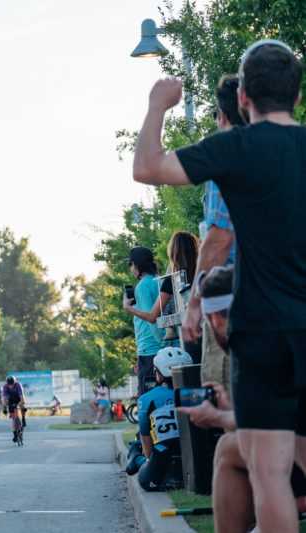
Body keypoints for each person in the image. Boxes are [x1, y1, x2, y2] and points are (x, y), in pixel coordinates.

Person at [133, 39, 306, 531]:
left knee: (270, 474)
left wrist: (157, 105)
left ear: (245, 97)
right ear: (296, 94)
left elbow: (146, 167)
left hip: (262, 329)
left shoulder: (234, 148)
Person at [179, 266, 306, 532]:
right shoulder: (275, 328)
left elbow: (282, 423)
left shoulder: (263, 347)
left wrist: (219, 416)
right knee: (235, 446)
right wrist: (230, 411)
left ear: (214, 319)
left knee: (233, 449)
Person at [180, 74, 244, 390]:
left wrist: (194, 304)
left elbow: (219, 239)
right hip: (282, 295)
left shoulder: (227, 161)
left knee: (228, 401)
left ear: (222, 116)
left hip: (230, 301)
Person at [128, 347, 193, 491]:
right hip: (194, 459)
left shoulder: (146, 399)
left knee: (145, 476)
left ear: (159, 374)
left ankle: (135, 457)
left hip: (162, 458)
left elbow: (146, 439)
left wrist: (148, 460)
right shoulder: (196, 393)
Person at [126, 232, 200, 354]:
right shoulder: (205, 272)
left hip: (187, 337)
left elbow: (152, 316)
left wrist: (128, 308)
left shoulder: (171, 280)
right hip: (212, 331)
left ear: (173, 253)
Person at [122, 246, 165, 394]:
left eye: (131, 264)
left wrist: (128, 308)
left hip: (150, 350)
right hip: (161, 348)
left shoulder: (142, 286)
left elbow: (150, 318)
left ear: (138, 265)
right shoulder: (159, 281)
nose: (131, 268)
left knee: (147, 398)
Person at [2, 376, 25, 442]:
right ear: (7, 384)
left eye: (12, 384)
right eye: (9, 384)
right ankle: (15, 434)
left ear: (14, 383)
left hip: (18, 398)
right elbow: (4, 399)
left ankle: (23, 418)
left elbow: (21, 397)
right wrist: (4, 408)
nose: (11, 386)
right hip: (10, 400)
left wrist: (21, 404)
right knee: (13, 418)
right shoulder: (5, 387)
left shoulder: (18, 385)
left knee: (22, 403)